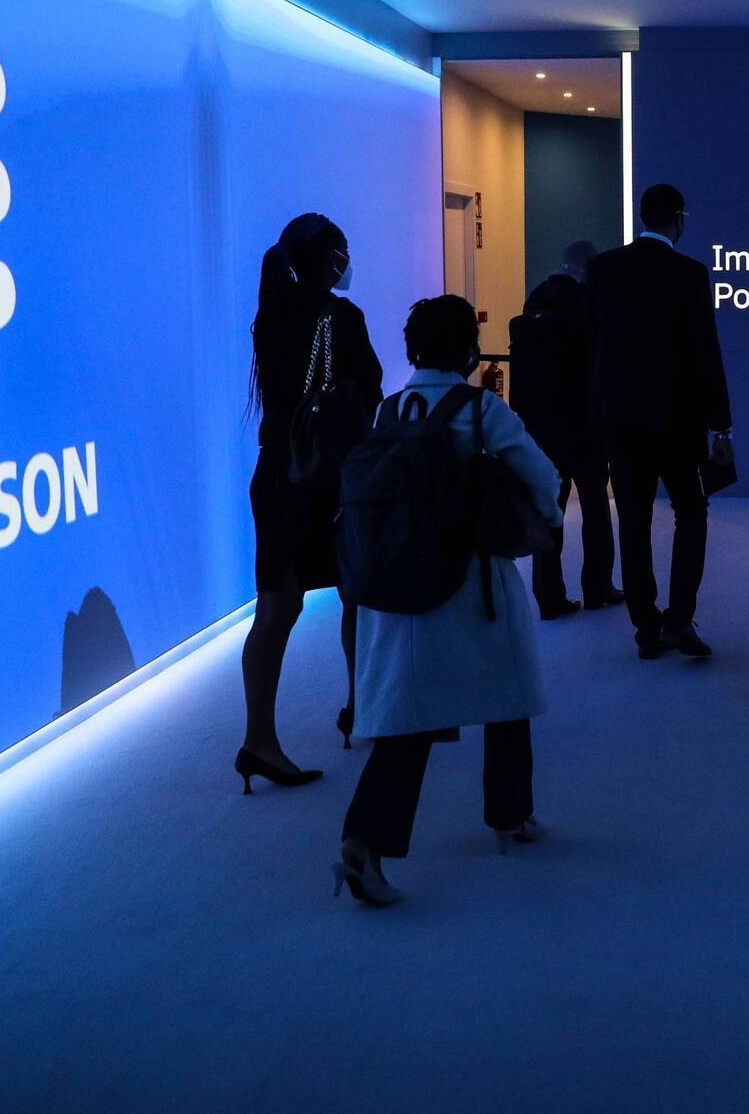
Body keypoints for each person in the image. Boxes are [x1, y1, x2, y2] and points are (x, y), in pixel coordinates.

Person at [333, 295, 559, 906]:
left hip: (395, 587)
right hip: (470, 581)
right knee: (508, 694)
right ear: (469, 349)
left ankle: (364, 839)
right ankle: (510, 814)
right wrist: (545, 522)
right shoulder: (480, 409)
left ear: (412, 348)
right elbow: (541, 476)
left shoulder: (388, 410)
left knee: (408, 722)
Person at [239, 213, 382, 791]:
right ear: (329, 260)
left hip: (278, 473)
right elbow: (369, 390)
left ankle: (258, 739)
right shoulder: (342, 318)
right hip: (331, 475)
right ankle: (363, 706)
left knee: (275, 608)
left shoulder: (270, 315)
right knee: (355, 591)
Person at [585, 183, 733, 660]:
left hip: (621, 420)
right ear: (679, 219)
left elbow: (591, 345)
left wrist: (599, 407)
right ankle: (680, 617)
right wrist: (722, 423)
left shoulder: (603, 268)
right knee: (691, 513)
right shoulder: (689, 273)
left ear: (642, 216)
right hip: (678, 422)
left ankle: (646, 627)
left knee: (633, 520)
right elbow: (705, 351)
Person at [509, 240, 623, 620]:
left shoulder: (537, 297)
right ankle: (598, 586)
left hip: (542, 423)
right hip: (584, 422)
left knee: (549, 506)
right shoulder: (586, 301)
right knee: (595, 505)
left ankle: (549, 595)